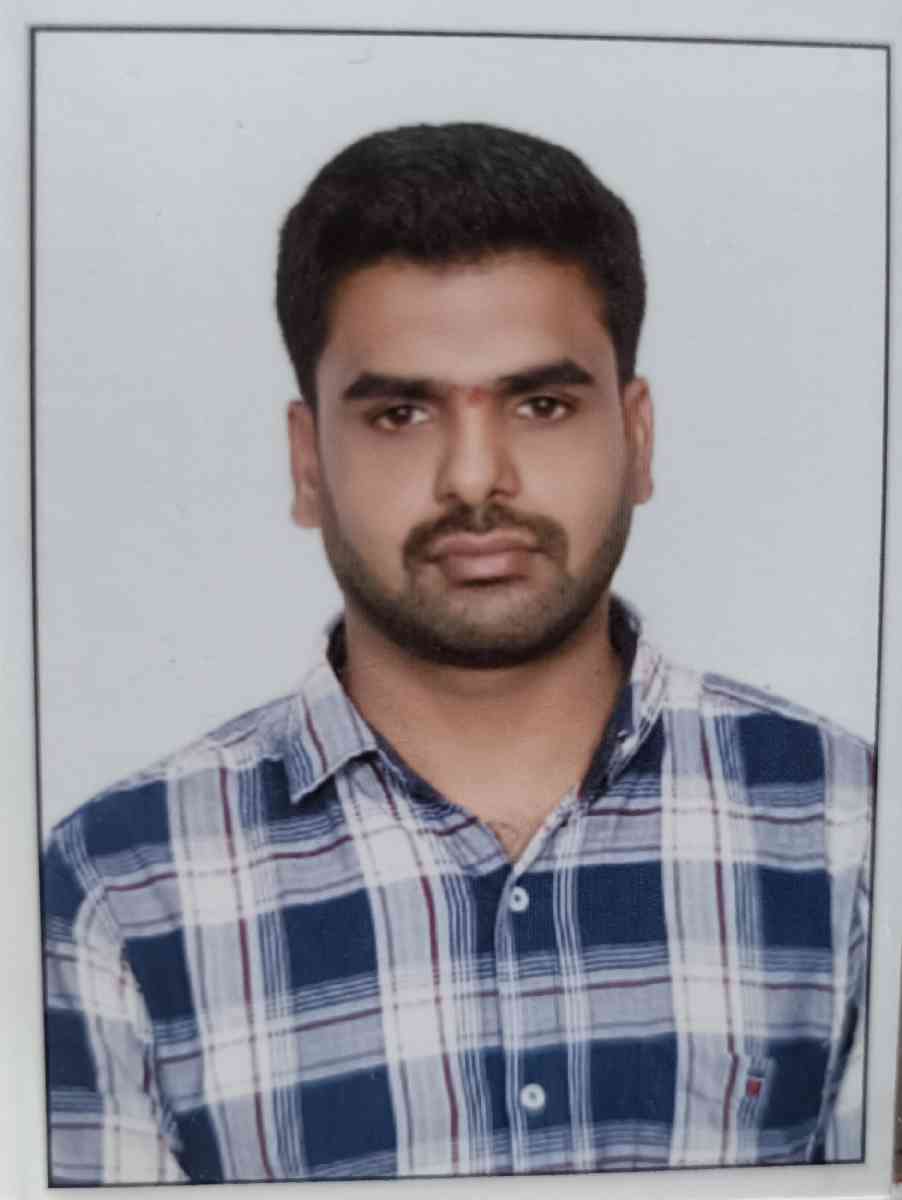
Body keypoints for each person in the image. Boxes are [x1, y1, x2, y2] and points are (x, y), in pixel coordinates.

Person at [42, 122, 872, 1184]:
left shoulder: (850, 828)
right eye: (400, 413)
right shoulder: (117, 890)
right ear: (307, 463)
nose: (474, 480)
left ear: (637, 437)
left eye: (541, 404)